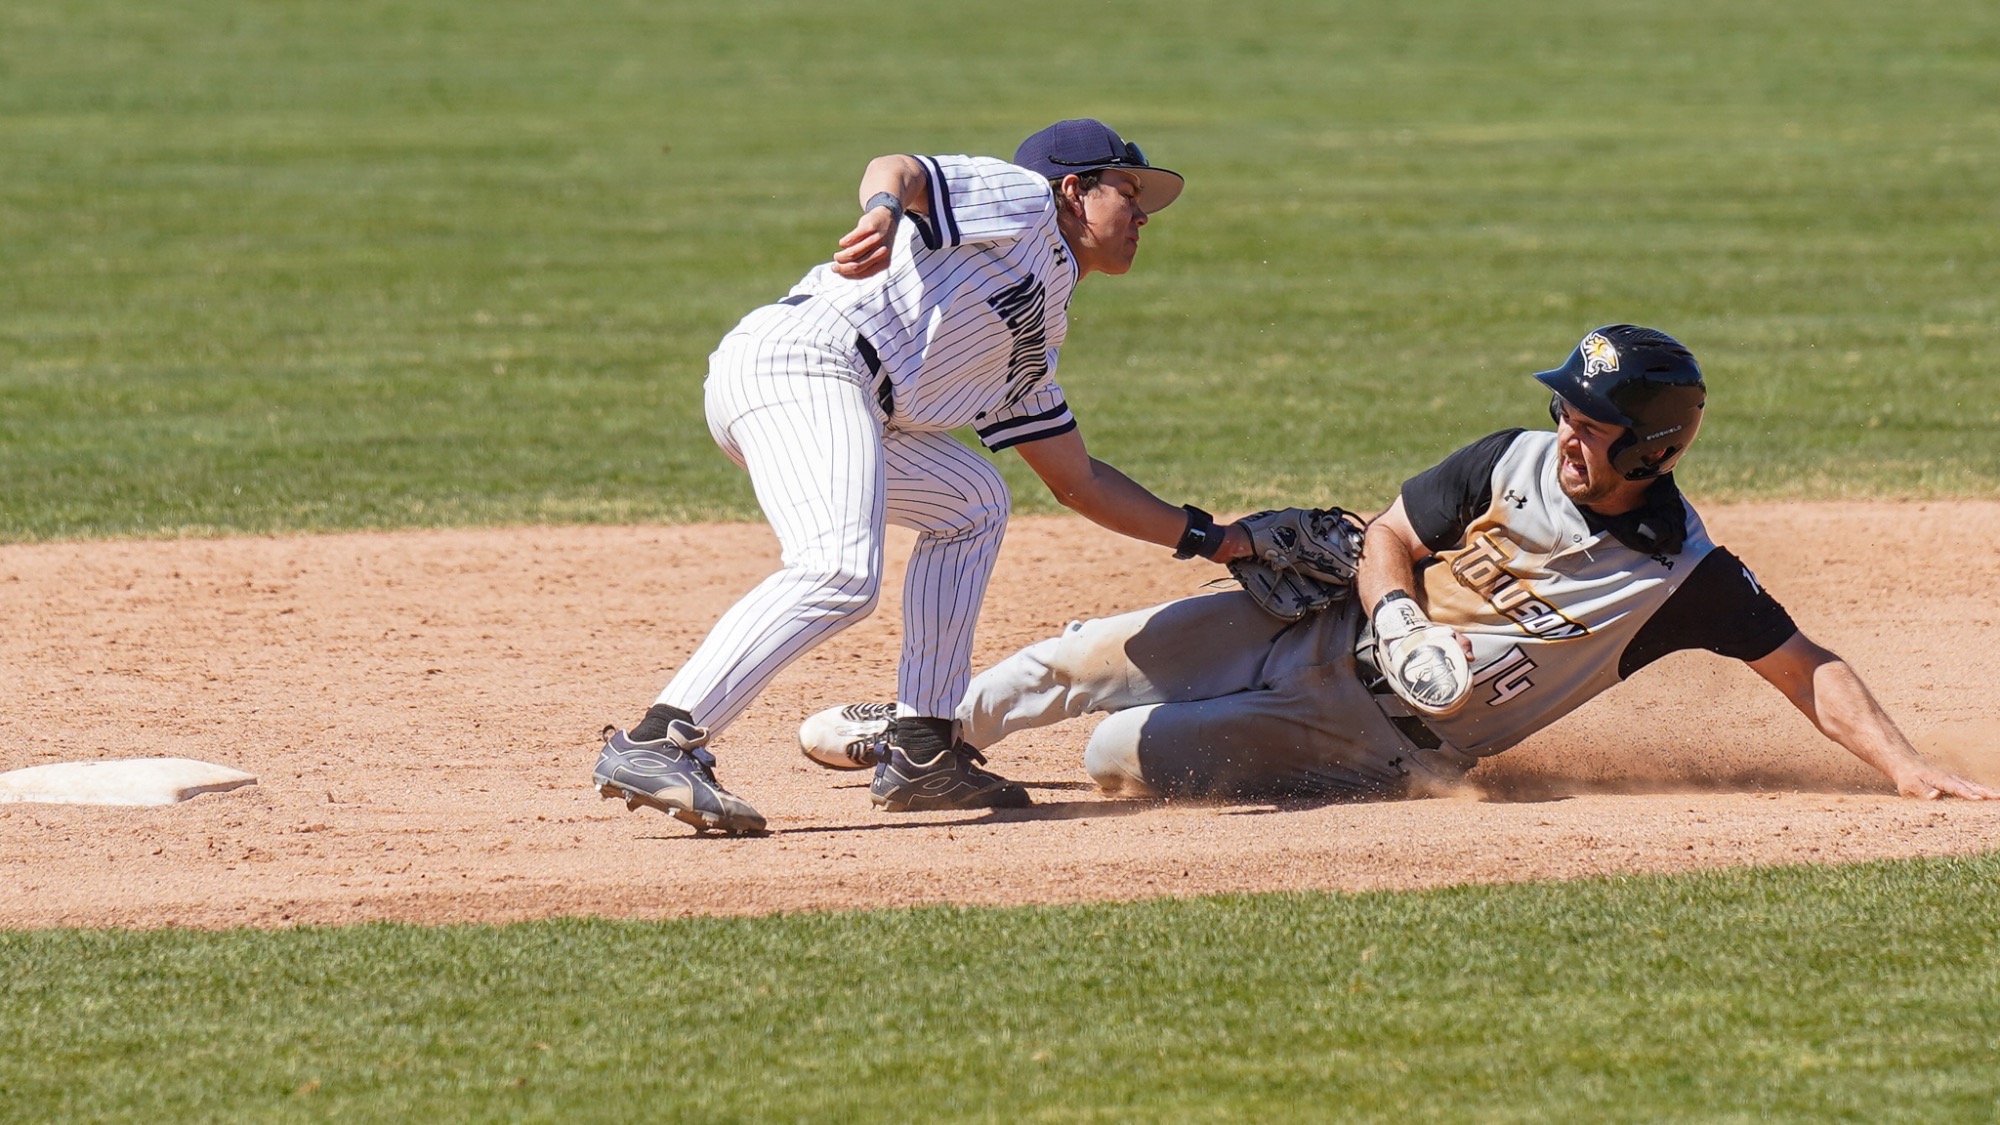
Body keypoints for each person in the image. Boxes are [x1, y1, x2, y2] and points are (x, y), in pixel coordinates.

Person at [803, 325, 1997, 803]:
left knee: (1118, 754)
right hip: (1321, 631)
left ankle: (993, 737)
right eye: (1566, 412)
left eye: (1589, 423)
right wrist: (1391, 615)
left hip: (1373, 742)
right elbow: (1388, 537)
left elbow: (1804, 665)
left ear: (1651, 445)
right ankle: (926, 732)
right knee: (1063, 667)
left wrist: (1900, 767)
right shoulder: (1511, 456)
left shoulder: (1684, 577)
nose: (1564, 430)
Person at [593, 119, 1255, 834]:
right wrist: (882, 210)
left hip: (844, 400)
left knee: (973, 502)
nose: (1143, 214)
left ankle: (922, 750)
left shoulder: (1034, 332)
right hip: (803, 364)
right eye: (1128, 191)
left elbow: (1079, 481)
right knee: (839, 571)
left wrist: (1216, 539)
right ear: (1074, 189)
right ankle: (663, 735)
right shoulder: (1028, 203)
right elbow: (899, 167)